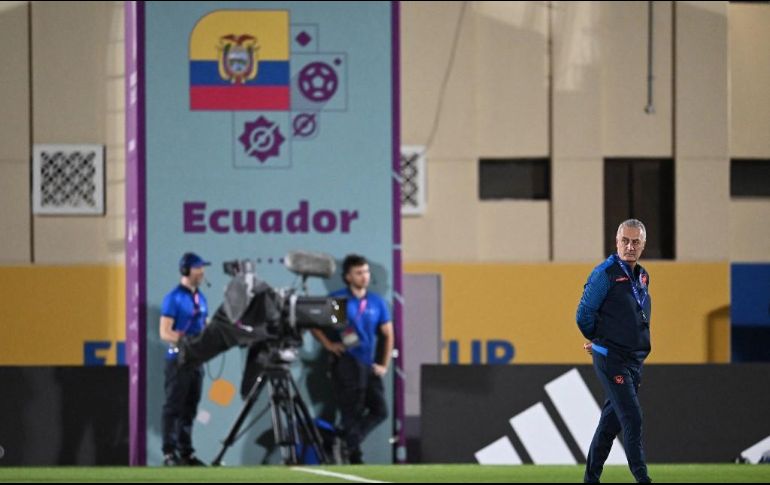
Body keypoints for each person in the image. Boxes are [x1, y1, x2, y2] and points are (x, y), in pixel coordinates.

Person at [577, 219, 653, 483]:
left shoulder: (642, 276)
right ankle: (643, 480)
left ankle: (590, 479)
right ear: (616, 241)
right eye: (625, 241)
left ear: (643, 245)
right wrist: (600, 340)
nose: (629, 246)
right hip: (612, 359)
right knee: (633, 417)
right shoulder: (605, 273)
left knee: (609, 426)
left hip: (633, 361)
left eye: (635, 242)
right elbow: (583, 315)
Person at [311, 254, 394, 464]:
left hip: (368, 363)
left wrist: (384, 365)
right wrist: (329, 345)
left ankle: (344, 442)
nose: (364, 276)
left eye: (366, 272)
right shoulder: (339, 300)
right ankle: (355, 458)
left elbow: (388, 334)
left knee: (380, 410)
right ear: (348, 277)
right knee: (351, 412)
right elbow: (321, 327)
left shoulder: (377, 302)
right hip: (347, 362)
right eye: (359, 273)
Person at [159, 252, 210, 466]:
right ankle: (169, 453)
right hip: (179, 359)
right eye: (198, 268)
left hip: (196, 362)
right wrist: (184, 341)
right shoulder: (174, 298)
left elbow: (205, 327)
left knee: (190, 407)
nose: (202, 272)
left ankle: (186, 451)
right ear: (186, 270)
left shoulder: (202, 298)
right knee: (174, 406)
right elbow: (164, 332)